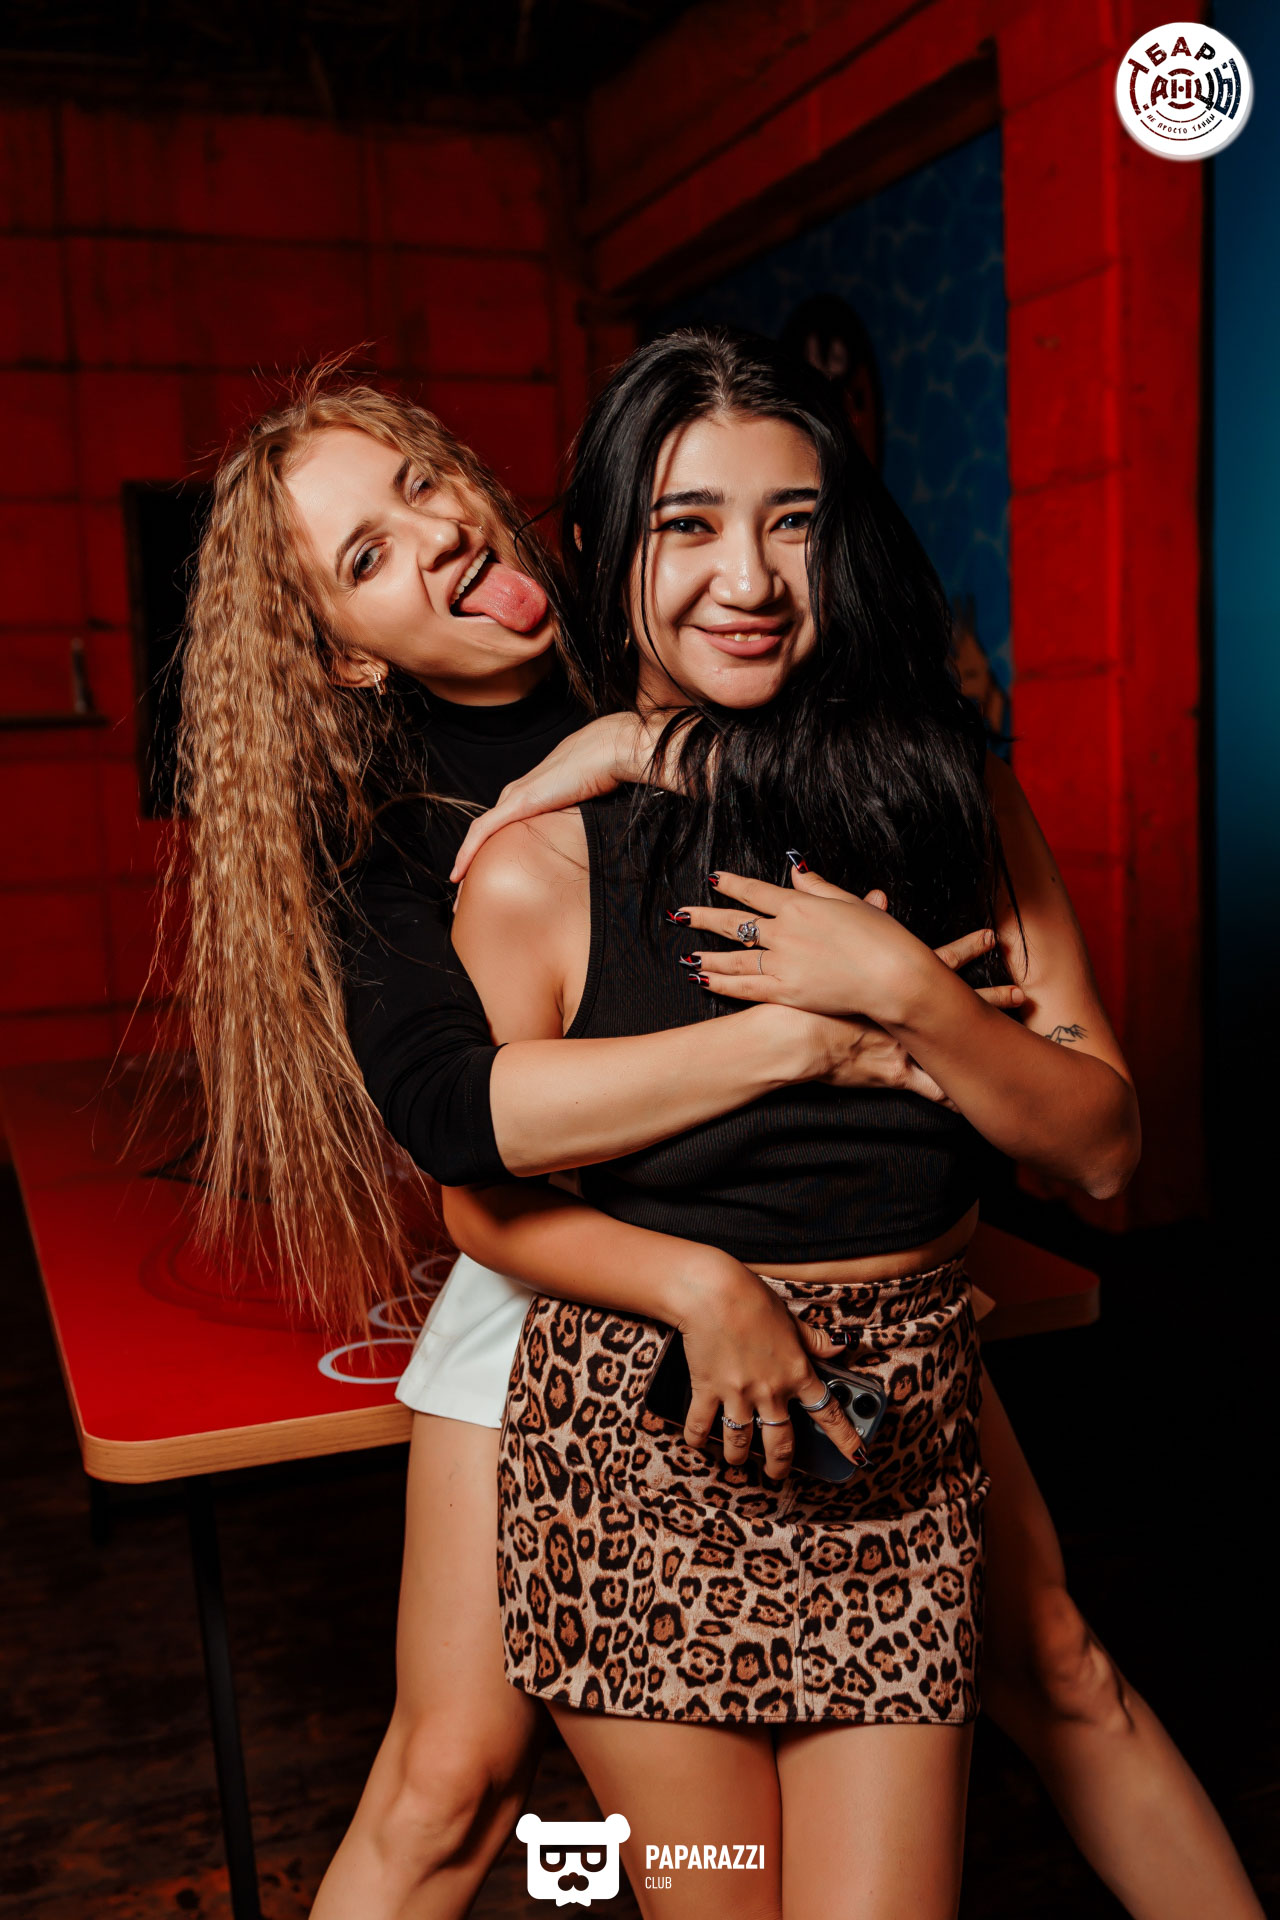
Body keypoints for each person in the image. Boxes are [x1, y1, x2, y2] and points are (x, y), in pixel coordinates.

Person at [171, 367, 1261, 1918]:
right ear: (340, 654)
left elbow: (817, 724)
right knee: (452, 1785)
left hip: (843, 1266)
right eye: (366, 556)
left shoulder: (653, 618)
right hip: (570, 1267)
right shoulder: (417, 831)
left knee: (1056, 1661)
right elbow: (462, 1132)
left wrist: (641, 745)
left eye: (423, 483)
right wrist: (802, 1054)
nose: (435, 536)